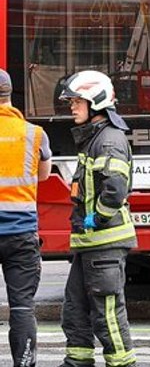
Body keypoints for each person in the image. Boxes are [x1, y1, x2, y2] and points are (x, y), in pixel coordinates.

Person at [58, 70, 137, 367]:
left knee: (107, 315)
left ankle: (122, 365)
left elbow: (115, 191)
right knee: (75, 311)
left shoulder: (108, 141)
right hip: (89, 245)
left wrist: (97, 219)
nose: (72, 107)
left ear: (96, 102)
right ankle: (77, 362)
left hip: (104, 243)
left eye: (77, 101)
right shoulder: (94, 138)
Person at [0, 69, 52, 366]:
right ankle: (24, 363)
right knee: (22, 308)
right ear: (10, 95)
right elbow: (43, 175)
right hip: (20, 235)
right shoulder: (34, 133)